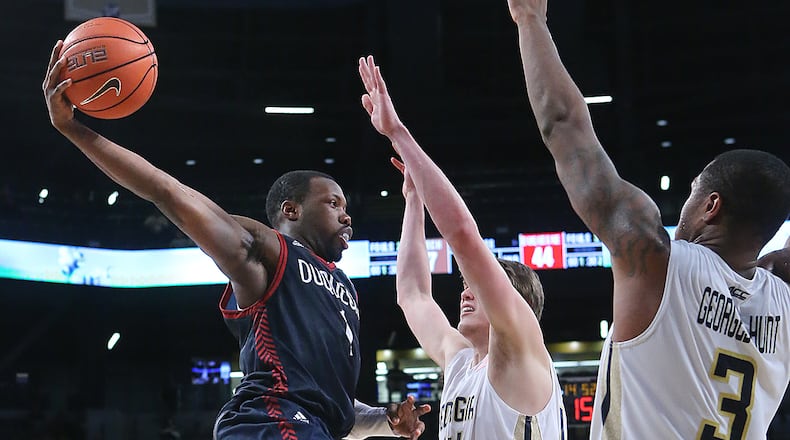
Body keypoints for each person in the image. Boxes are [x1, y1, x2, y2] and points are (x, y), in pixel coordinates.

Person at [42, 40, 429, 440]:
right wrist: (75, 130)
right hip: (268, 421)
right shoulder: (270, 253)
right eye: (333, 203)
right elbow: (167, 190)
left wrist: (387, 419)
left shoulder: (344, 288)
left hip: (309, 427)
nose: (347, 215)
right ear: (291, 211)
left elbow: (336, 408)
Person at [505, 0, 790, 438]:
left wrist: (530, 19)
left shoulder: (658, 260)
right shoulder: (784, 303)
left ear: (711, 205)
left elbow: (564, 126)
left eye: (694, 190)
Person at [358, 55, 568, 439]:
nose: (466, 291)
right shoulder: (460, 362)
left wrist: (398, 134)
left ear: (512, 300)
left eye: (476, 284)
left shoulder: (519, 347)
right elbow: (413, 295)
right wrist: (412, 202)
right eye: (465, 286)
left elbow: (463, 237)